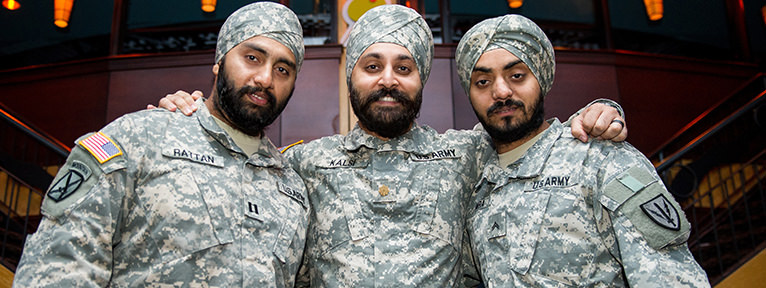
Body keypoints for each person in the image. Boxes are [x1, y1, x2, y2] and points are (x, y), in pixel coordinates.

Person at [156, 5, 627, 287]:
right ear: (350, 80)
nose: (388, 80)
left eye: (404, 67)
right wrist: (190, 114)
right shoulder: (299, 166)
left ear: (422, 80)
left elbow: (528, 132)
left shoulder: (469, 156)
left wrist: (599, 113)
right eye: (372, 66)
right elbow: (235, 155)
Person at [12, 2, 309, 287]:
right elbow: (58, 263)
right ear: (219, 62)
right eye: (252, 58)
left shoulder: (292, 188)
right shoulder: (140, 138)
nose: (265, 78)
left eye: (283, 70)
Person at [455, 14, 710, 287]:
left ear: (540, 78)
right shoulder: (476, 186)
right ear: (470, 93)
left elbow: (671, 279)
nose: (501, 91)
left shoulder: (600, 158)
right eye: (483, 82)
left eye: (517, 75)